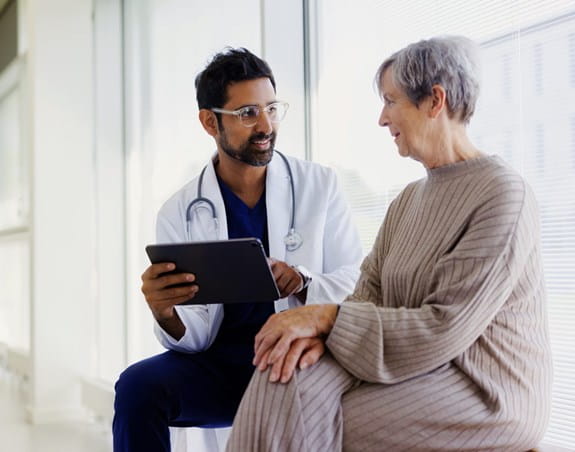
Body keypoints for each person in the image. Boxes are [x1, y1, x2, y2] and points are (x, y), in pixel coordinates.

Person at [225, 36, 552, 452]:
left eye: (391, 100)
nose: (382, 118)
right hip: (412, 367)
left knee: (314, 419)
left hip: (484, 389)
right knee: (281, 373)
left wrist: (327, 321)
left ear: (435, 101)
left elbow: (443, 326)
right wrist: (318, 334)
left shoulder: (503, 195)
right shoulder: (408, 201)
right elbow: (367, 296)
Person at [112, 47, 362, 452]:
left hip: (298, 355)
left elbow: (357, 281)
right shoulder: (179, 211)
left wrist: (303, 281)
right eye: (247, 113)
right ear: (210, 122)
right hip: (221, 366)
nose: (265, 124)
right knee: (137, 388)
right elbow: (192, 338)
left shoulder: (320, 186)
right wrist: (165, 312)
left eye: (272, 108)